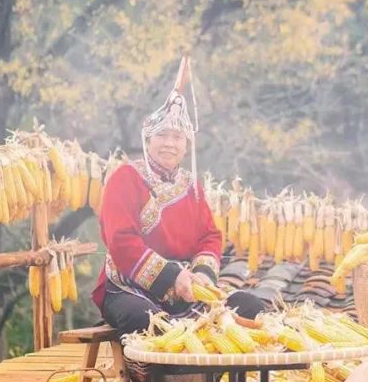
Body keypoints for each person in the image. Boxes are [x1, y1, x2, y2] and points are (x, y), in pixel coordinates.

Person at [92, 56, 267, 334]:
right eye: (162, 136)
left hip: (187, 290)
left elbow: (209, 237)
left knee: (249, 307)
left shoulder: (191, 187)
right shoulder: (125, 178)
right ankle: (154, 380)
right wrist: (173, 277)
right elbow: (121, 241)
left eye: (178, 138)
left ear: (187, 147)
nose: (170, 144)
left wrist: (202, 274)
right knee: (149, 321)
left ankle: (214, 378)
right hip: (130, 287)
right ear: (148, 140)